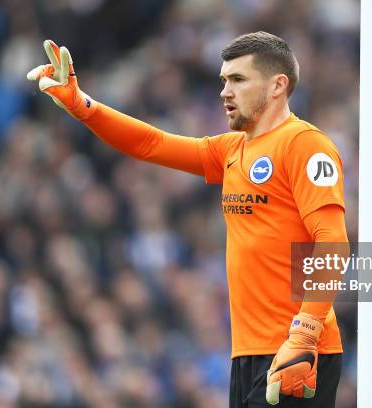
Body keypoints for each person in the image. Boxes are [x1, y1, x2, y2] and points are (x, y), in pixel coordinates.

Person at [27, 31, 348, 407]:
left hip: (300, 349)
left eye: (238, 80)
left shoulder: (305, 145)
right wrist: (83, 106)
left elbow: (332, 242)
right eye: (224, 81)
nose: (225, 92)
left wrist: (306, 333)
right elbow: (151, 144)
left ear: (278, 86)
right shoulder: (231, 149)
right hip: (249, 352)